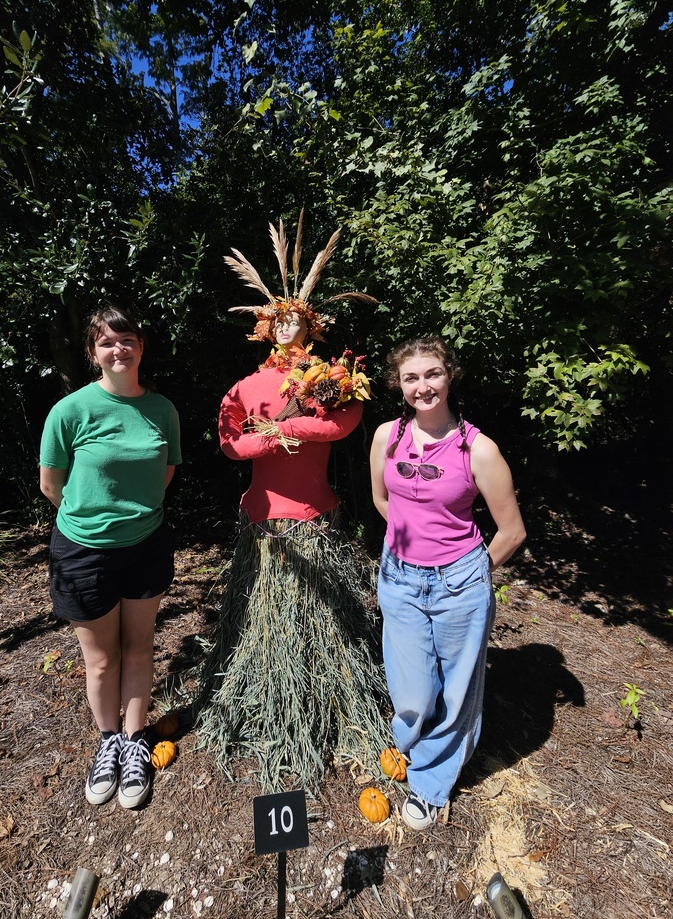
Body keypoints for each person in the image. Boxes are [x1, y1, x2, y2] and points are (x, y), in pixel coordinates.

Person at [195, 216, 389, 788]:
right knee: (257, 613)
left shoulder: (330, 377)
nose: (285, 327)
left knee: (328, 617)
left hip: (314, 515)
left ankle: (331, 693)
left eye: (295, 320)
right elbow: (230, 441)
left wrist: (290, 427)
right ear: (265, 327)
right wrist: (270, 440)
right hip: (264, 517)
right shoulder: (246, 386)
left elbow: (345, 422)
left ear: (310, 326)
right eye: (277, 320)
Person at [369, 335, 526, 830]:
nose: (423, 386)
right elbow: (382, 501)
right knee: (412, 688)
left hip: (459, 582)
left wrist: (466, 573)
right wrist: (411, 545)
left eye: (432, 374)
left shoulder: (478, 449)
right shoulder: (387, 437)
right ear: (398, 385)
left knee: (457, 694)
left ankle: (430, 784)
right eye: (411, 377)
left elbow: (512, 531)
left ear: (450, 375)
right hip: (398, 578)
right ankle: (411, 744)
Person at [39, 305, 181, 809]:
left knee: (140, 649)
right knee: (101, 662)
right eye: (107, 342)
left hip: (146, 544)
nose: (118, 349)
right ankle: (108, 743)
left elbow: (165, 471)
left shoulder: (162, 409)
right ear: (92, 352)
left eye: (128, 340)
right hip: (84, 552)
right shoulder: (71, 411)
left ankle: (135, 741)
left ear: (141, 347)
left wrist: (132, 515)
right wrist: (95, 522)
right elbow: (51, 485)